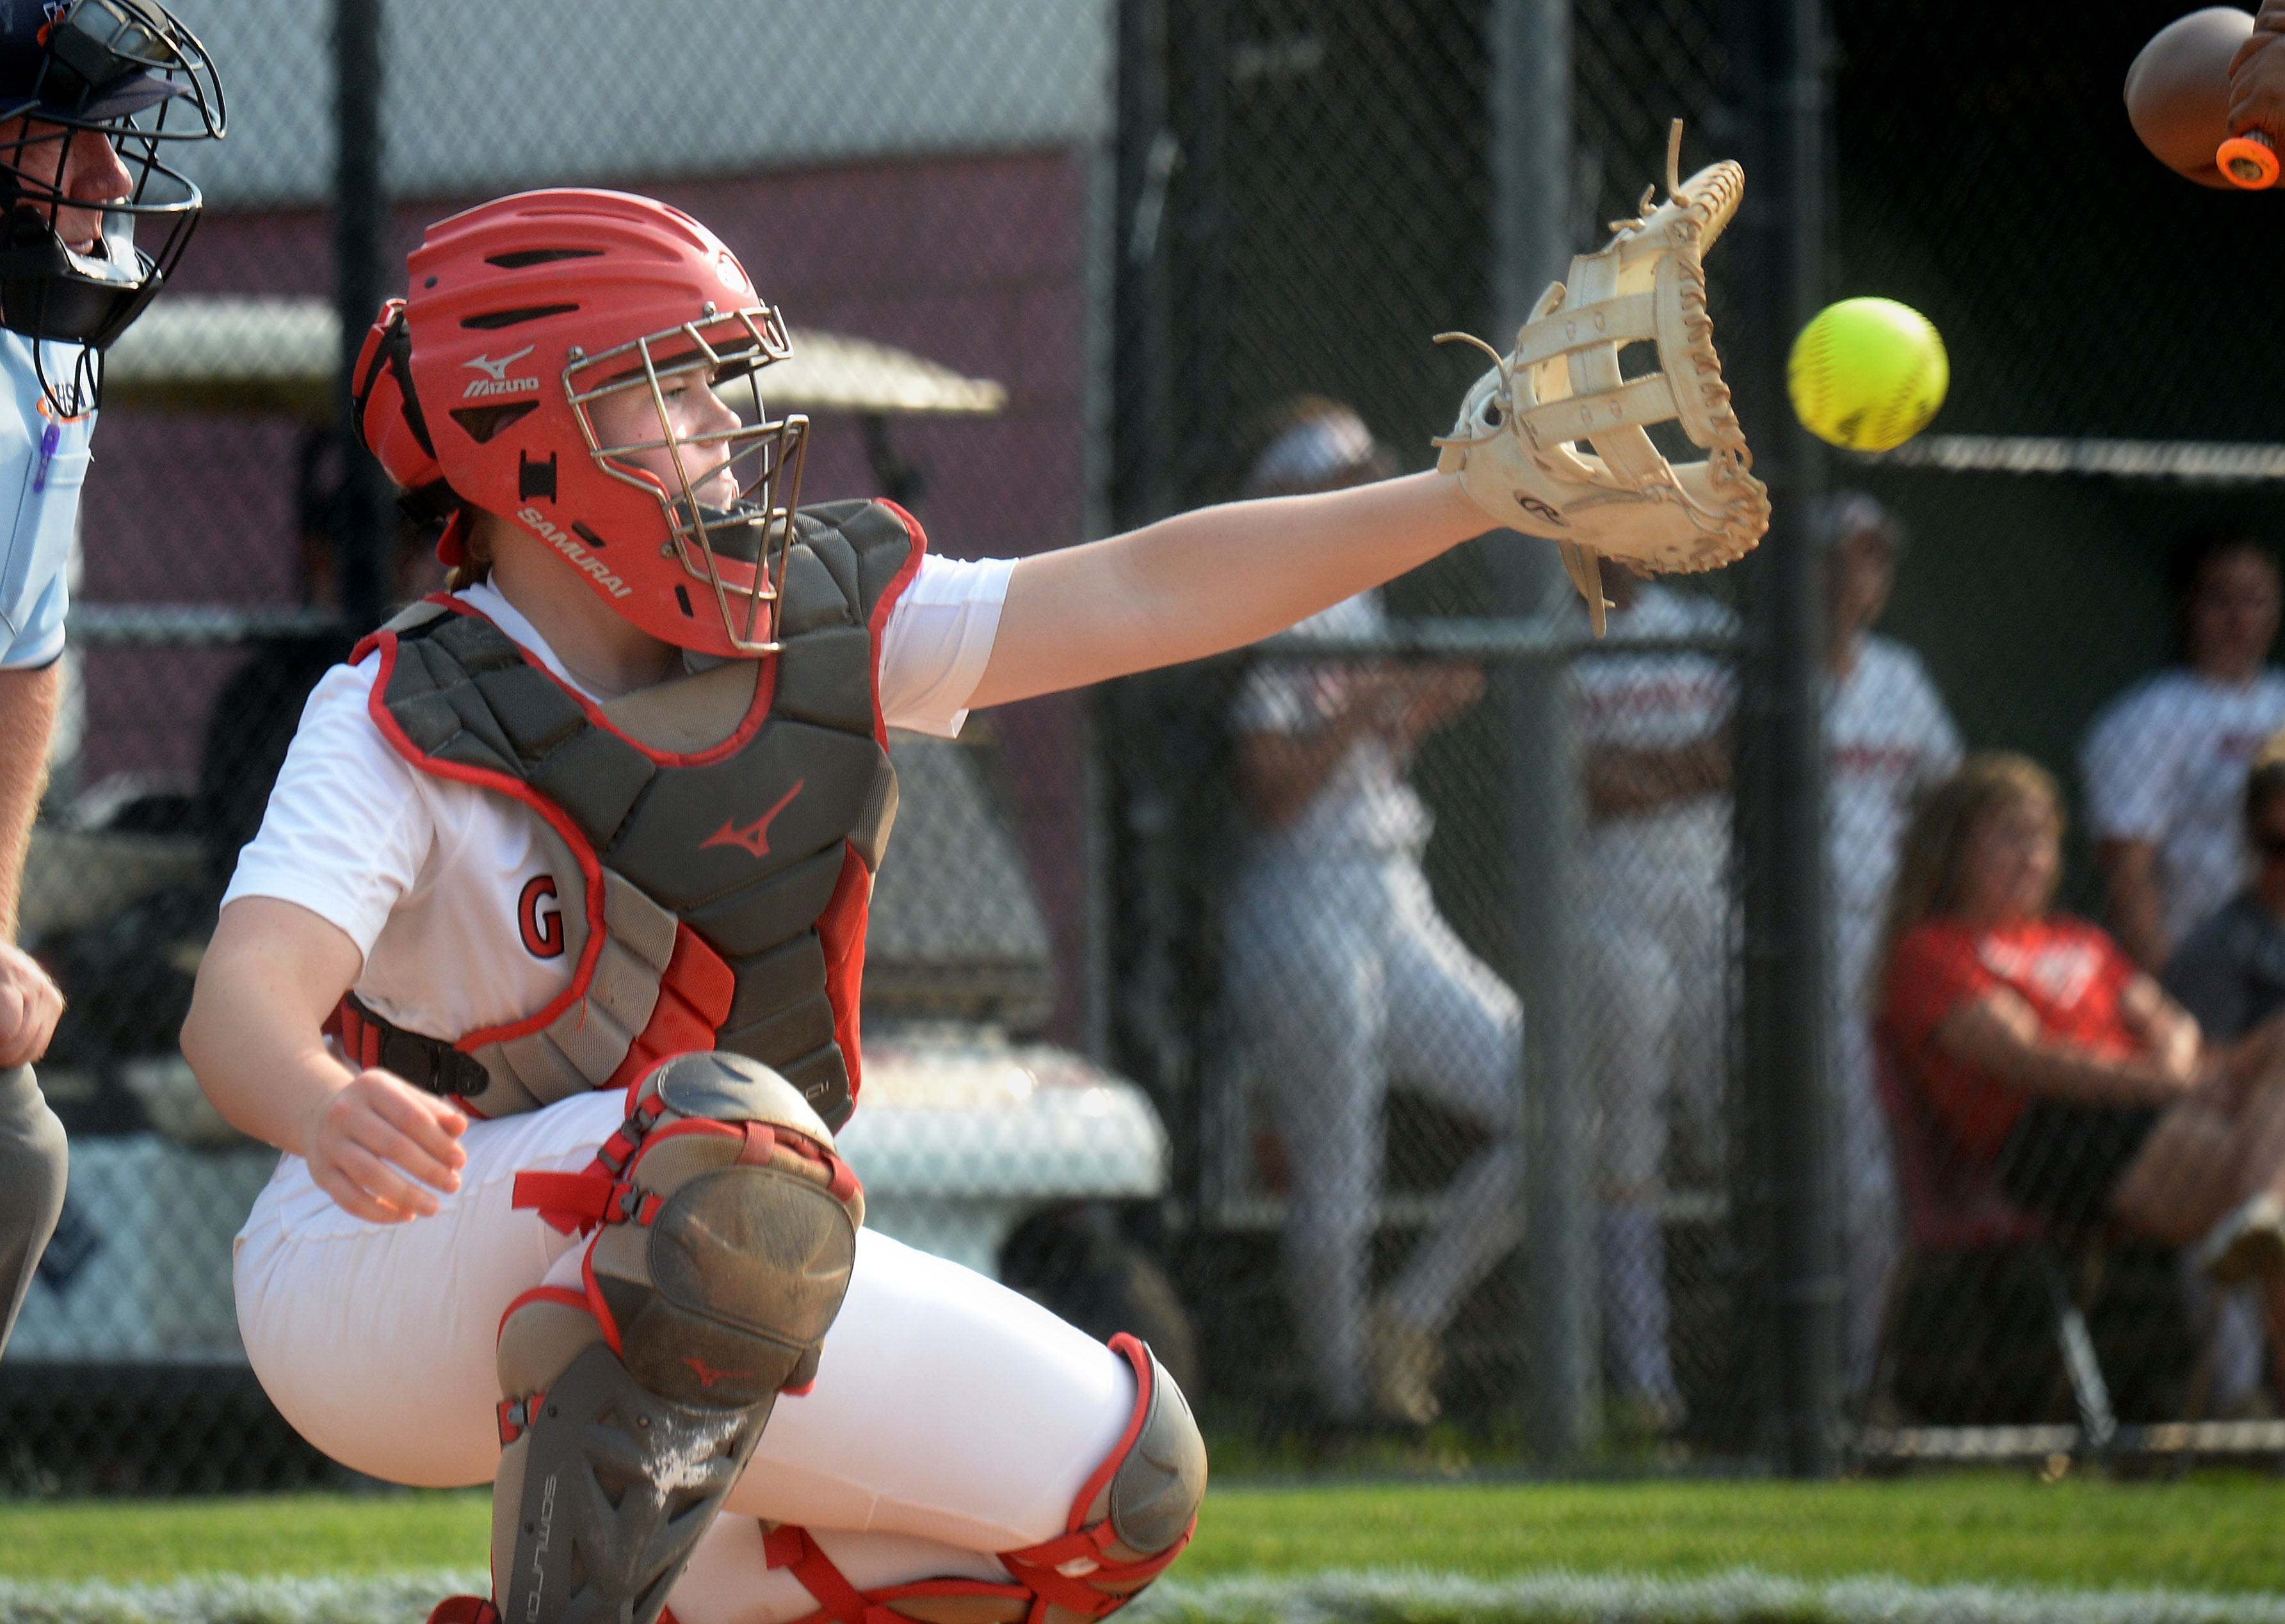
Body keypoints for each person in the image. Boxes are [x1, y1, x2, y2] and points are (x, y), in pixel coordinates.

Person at [173, 186, 1757, 1624]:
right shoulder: (406, 706)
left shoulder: (811, 619)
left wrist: (1469, 491)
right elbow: (237, 1005)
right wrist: (321, 1104)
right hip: (379, 1267)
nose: (729, 434)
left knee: (1115, 1488)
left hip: (700, 1240)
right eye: (666, 390)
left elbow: (1139, 592)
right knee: (721, 1156)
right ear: (524, 437)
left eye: (721, 386)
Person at [1219, 397, 1521, 1432]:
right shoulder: (1257, 601)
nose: (1363, 499)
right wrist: (1365, 704)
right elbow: (1270, 785)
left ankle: (1407, 1321)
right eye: (1340, 484)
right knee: (1337, 1175)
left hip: (1395, 893)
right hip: (1300, 901)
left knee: (1558, 1111)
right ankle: (1349, 1409)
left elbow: (1364, 740)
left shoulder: (1359, 598)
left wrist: (1412, 698)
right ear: (1290, 499)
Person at [0, 0, 224, 1358]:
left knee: (14, 1147)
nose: (110, 177)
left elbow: (20, 657)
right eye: (65, 131)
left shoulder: (37, 366)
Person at [1878, 752, 2285, 1400]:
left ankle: (2263, 1210)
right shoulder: (1931, 951)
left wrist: (2180, 1067)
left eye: (2044, 838)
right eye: (2011, 835)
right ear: (1954, 848)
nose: (2034, 855)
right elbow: (2031, 1059)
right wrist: (2175, 1084)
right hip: (2052, 1139)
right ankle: (2263, 1207)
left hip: (2161, 1103)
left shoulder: (2076, 938)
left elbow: (2165, 1019)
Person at [1572, 566, 1737, 1427]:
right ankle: (1645, 1386)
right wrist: (1690, 767)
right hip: (1607, 911)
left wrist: (1646, 774)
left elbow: (1737, 754)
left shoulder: (1703, 623)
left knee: (1733, 1131)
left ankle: (1755, 1373)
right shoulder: (1552, 631)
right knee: (1626, 1145)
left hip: (1712, 903)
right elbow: (1581, 781)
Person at [1818, 492, 1961, 1396]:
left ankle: (1853, 1386)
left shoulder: (1900, 679)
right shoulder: (1747, 670)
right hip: (1789, 969)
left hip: (1885, 965)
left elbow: (1951, 807)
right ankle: (1827, 1387)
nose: (1853, 575)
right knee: (1853, 1192)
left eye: (1871, 558)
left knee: (1874, 1196)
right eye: (1835, 556)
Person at [2083, 526, 2285, 974]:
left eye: (2254, 600)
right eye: (2219, 599)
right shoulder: (2143, 718)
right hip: (2201, 955)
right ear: (2186, 606)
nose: (2238, 618)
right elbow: (2127, 874)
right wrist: (2177, 987)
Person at [2161, 735, 2285, 1411]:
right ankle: (2239, 1396)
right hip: (2244, 1126)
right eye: (2276, 848)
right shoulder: (2220, 944)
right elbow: (2199, 1071)